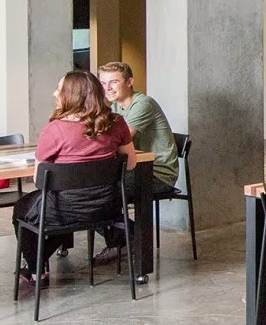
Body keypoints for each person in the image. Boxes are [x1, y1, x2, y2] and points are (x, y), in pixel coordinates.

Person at [15, 71, 136, 296]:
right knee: (54, 210)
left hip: (63, 210)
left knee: (23, 210)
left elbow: (39, 179)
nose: (55, 93)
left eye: (59, 89)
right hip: (106, 207)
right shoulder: (117, 122)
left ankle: (37, 273)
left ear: (72, 95)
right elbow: (130, 164)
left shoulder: (54, 129)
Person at [96, 61, 178, 261]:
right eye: (103, 83)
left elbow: (117, 141)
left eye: (114, 82)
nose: (107, 88)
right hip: (135, 169)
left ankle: (132, 239)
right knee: (91, 191)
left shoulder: (142, 104)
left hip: (157, 174)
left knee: (96, 193)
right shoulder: (116, 106)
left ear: (129, 82)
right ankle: (126, 239)